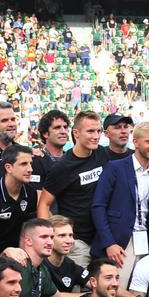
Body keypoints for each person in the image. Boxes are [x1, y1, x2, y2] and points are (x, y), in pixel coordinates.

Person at [90, 122, 149, 287]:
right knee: (115, 290)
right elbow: (98, 206)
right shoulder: (115, 168)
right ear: (136, 142)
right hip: (120, 241)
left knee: (139, 291)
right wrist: (109, 242)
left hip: (145, 240)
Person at [38, 111, 109, 267]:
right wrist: (49, 238)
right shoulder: (62, 167)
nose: (96, 136)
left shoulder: (102, 154)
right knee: (79, 290)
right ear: (76, 133)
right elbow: (44, 204)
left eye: (98, 131)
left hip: (101, 238)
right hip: (76, 242)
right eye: (90, 131)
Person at [0, 144, 38, 258]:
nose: (30, 169)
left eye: (30, 164)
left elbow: (27, 229)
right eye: (23, 164)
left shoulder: (30, 192)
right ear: (8, 167)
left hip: (20, 255)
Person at [44, 216, 88, 293]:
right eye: (62, 235)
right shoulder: (38, 265)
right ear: (49, 238)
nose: (69, 241)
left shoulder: (71, 265)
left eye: (70, 235)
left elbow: (96, 283)